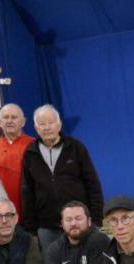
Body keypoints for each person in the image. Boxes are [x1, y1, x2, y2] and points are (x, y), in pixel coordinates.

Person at [21, 104, 104, 252]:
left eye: (51, 122)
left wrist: (96, 219)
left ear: (59, 124)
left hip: (79, 223)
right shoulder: (29, 153)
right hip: (47, 227)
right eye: (42, 124)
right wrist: (31, 228)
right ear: (36, 128)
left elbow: (93, 184)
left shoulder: (75, 147)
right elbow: (27, 192)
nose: (47, 127)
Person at [0, 103, 35, 218]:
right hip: (2, 214)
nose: (9, 121)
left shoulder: (34, 145)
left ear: (23, 121)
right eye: (6, 117)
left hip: (30, 212)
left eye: (14, 117)